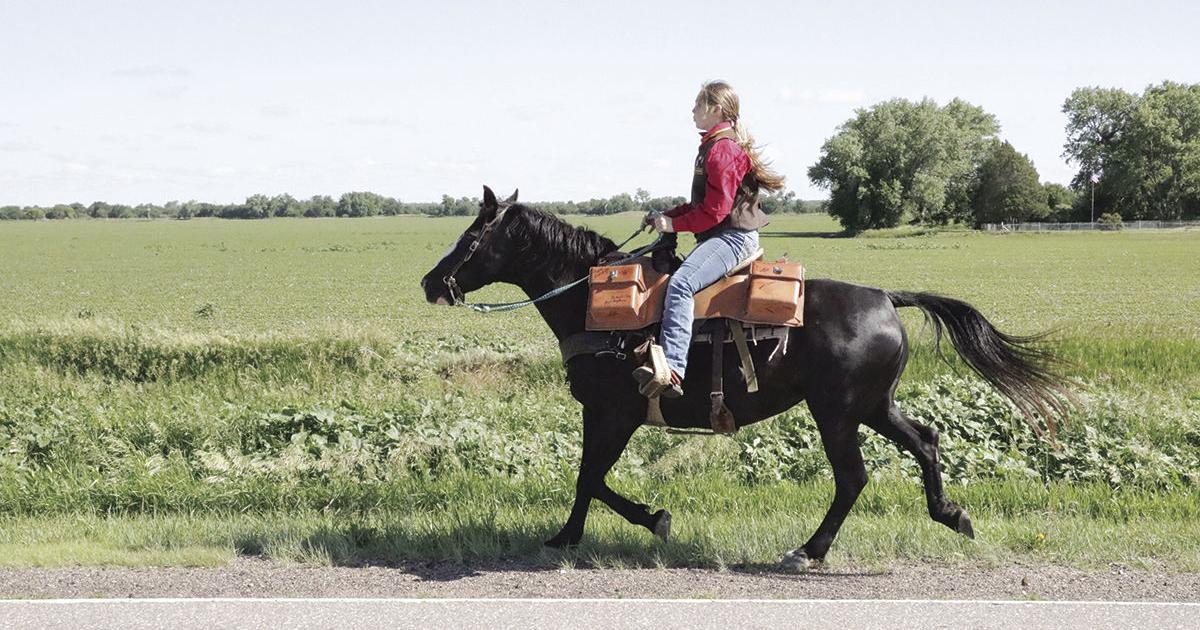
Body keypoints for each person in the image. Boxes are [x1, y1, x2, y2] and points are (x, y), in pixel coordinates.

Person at [634, 80, 786, 398]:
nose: (692, 110)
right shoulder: (712, 147)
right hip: (723, 235)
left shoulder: (723, 150)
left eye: (697, 105)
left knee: (680, 285)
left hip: (733, 238)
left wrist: (673, 226)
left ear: (715, 109)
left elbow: (715, 212)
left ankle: (673, 369)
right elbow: (699, 206)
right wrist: (667, 217)